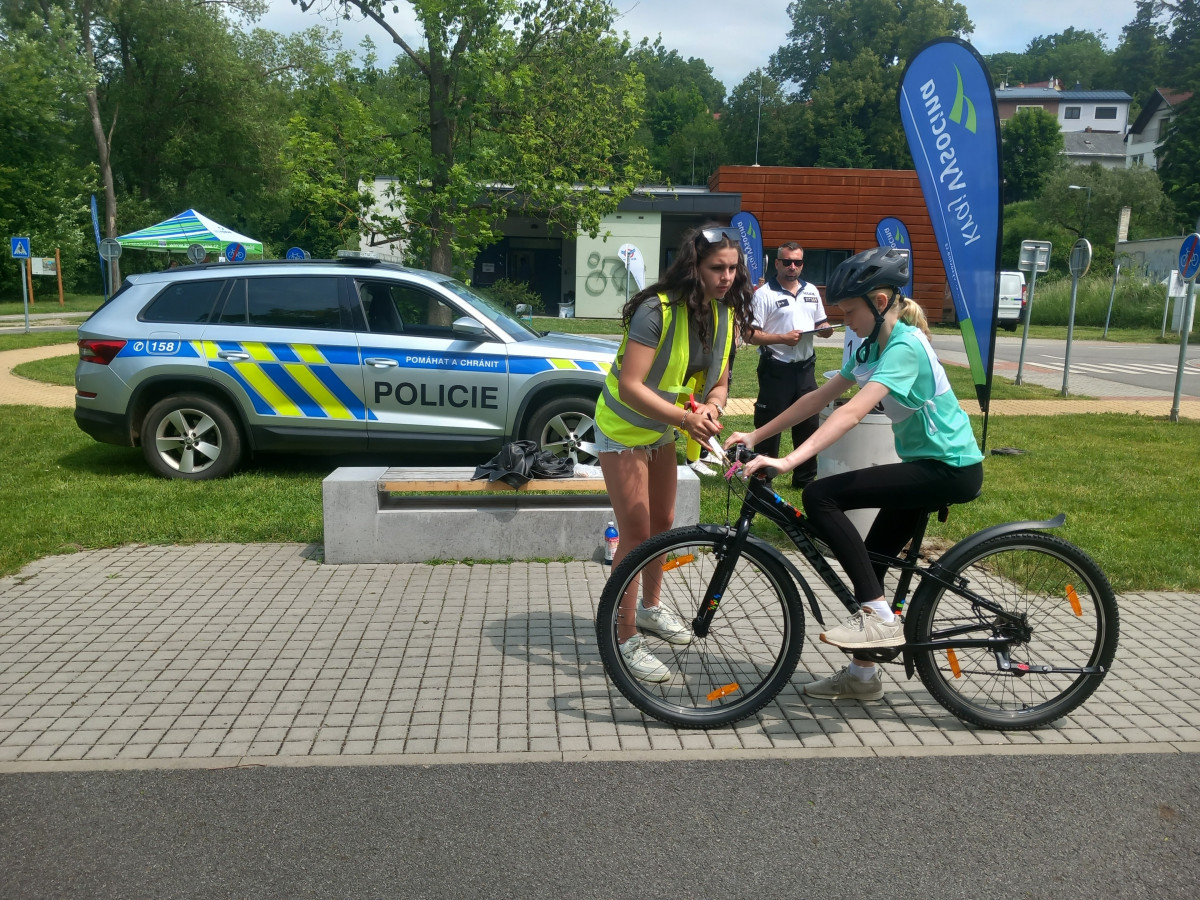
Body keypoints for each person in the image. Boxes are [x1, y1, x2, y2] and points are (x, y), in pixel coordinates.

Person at [727, 247, 984, 701]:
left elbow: (850, 415)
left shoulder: (904, 347)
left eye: (849, 311)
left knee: (820, 495)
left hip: (950, 468)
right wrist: (756, 431)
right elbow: (816, 400)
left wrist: (787, 462)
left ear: (879, 302)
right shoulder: (874, 344)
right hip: (927, 465)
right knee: (872, 564)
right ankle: (864, 677)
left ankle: (880, 618)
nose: (844, 321)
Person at [596, 224, 754, 682]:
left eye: (732, 268)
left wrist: (711, 405)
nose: (727, 277)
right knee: (636, 533)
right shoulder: (655, 310)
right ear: (694, 267)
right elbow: (629, 385)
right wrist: (686, 419)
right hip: (622, 426)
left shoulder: (724, 315)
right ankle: (623, 637)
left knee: (663, 525)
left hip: (663, 430)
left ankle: (649, 609)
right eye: (716, 268)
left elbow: (719, 383)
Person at [745, 242, 834, 490]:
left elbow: (821, 322)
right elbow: (750, 335)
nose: (792, 267)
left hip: (805, 367)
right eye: (787, 262)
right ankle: (763, 478)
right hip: (776, 367)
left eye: (797, 262)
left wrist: (824, 331)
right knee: (770, 423)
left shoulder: (811, 291)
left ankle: (805, 481)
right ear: (777, 264)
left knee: (808, 423)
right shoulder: (764, 294)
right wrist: (782, 338)